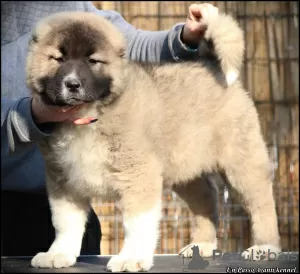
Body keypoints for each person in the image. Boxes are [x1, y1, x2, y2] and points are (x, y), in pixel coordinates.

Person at [1, 1, 219, 256]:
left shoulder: (60, 4)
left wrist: (184, 37)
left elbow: (125, 46)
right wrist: (30, 115)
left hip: (51, 205)